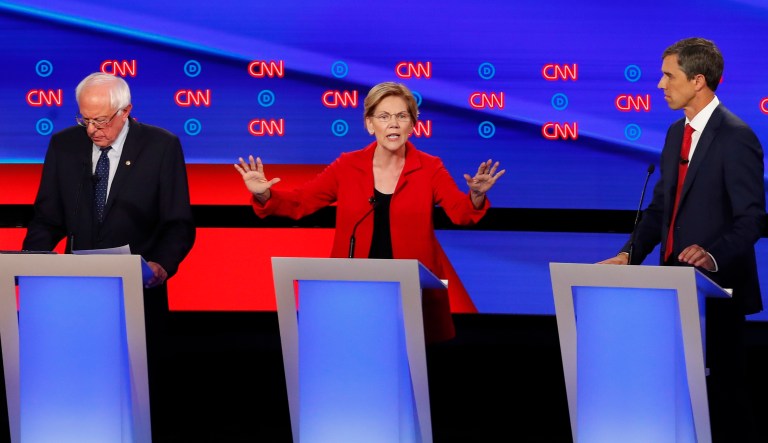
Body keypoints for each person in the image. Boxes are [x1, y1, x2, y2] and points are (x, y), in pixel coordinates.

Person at [235, 81, 505, 344]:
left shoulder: (429, 168)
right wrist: (263, 194)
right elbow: (300, 203)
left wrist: (476, 195)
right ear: (369, 124)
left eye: (402, 116)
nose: (394, 124)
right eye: (384, 116)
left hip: (412, 291)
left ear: (413, 125)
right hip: (357, 289)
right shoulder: (348, 166)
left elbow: (461, 212)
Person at [599, 38, 764, 441]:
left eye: (669, 75)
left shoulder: (736, 136)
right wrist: (628, 254)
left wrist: (710, 255)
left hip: (717, 294)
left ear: (698, 80)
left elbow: (753, 218)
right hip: (671, 289)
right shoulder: (677, 134)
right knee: (674, 399)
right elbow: (660, 211)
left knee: (722, 403)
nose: (660, 85)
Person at [22, 72, 196, 438]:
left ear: (126, 111)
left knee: (135, 399)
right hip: (75, 297)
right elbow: (47, 218)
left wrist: (159, 266)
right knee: (76, 391)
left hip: (138, 293)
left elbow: (178, 223)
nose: (91, 129)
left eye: (100, 120)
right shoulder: (63, 146)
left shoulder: (161, 146)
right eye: (84, 119)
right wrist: (31, 261)